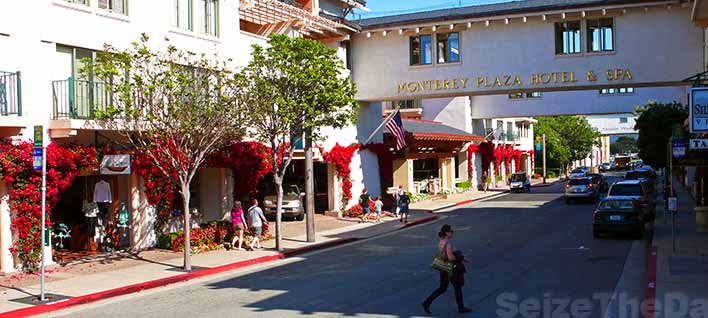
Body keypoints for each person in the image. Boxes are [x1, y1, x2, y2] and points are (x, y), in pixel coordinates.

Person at [422, 224, 471, 315]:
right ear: (446, 232)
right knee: (457, 287)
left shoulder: (442, 241)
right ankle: (461, 307)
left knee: (442, 288)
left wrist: (463, 258)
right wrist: (460, 258)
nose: (452, 233)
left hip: (443, 267)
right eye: (450, 231)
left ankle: (427, 302)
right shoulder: (448, 242)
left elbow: (445, 254)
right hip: (451, 268)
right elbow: (451, 257)